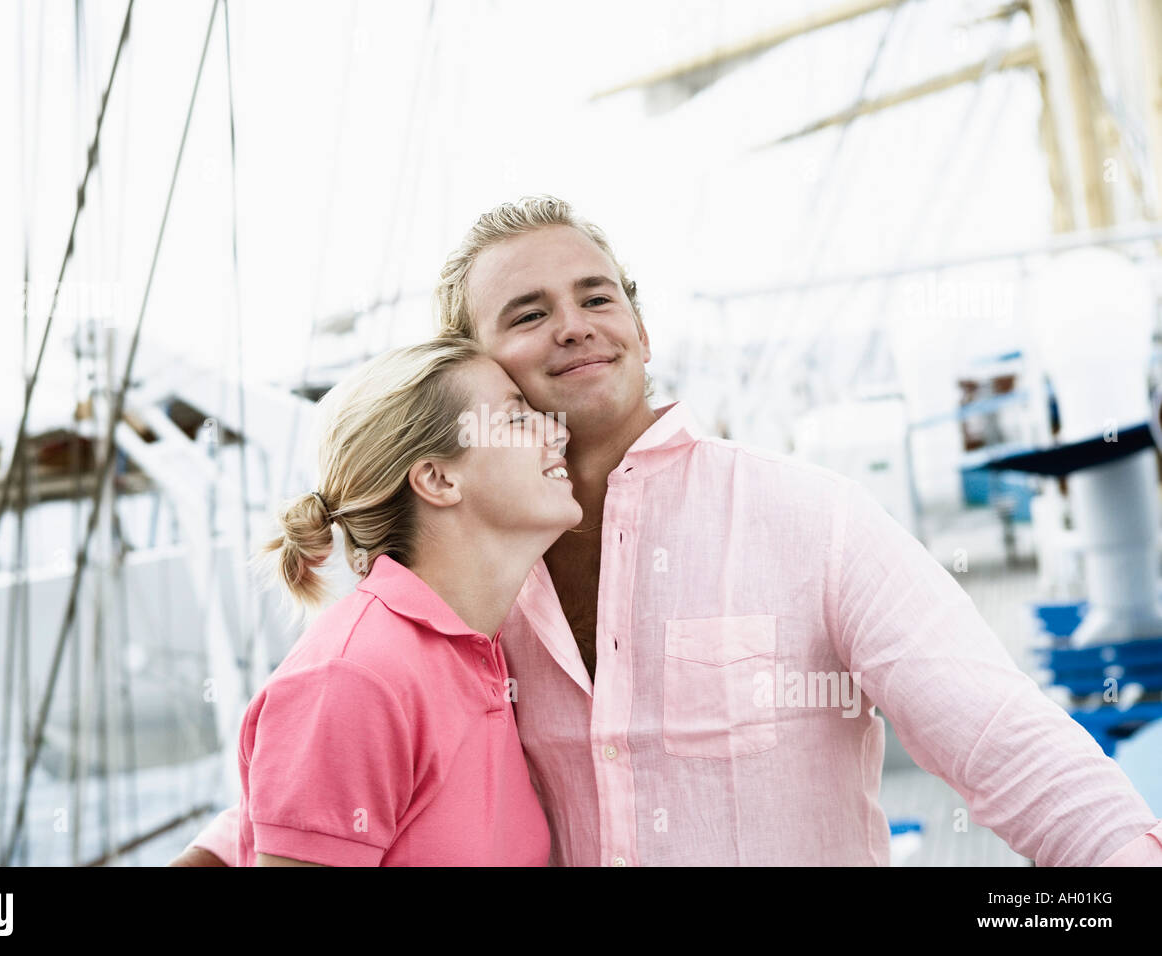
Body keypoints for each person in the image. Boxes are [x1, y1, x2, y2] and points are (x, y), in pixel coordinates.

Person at [173, 195, 1162, 867]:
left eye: (598, 295)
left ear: (641, 331)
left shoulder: (808, 517)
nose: (576, 324)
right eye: (529, 312)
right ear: (471, 371)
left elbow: (1007, 742)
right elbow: (354, 752)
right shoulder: (468, 587)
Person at [231, 336, 580, 865]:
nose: (557, 430)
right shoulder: (353, 678)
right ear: (439, 479)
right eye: (516, 419)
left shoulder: (480, 650)